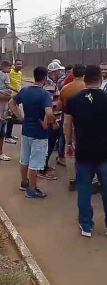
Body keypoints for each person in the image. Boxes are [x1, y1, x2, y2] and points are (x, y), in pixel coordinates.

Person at [63, 65, 107, 238]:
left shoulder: (73, 100)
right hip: (104, 152)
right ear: (100, 79)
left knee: (84, 189)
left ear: (84, 79)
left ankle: (86, 226)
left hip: (83, 151)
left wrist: (68, 143)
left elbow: (67, 124)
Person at [9, 66, 55, 199]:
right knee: (35, 162)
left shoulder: (25, 91)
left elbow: (12, 103)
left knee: (24, 158)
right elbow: (49, 113)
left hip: (26, 130)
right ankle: (32, 189)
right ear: (45, 78)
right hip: (39, 133)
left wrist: (20, 117)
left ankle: (24, 182)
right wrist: (47, 123)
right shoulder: (45, 94)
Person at [59, 64, 86, 191]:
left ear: (73, 74)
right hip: (86, 124)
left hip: (69, 121)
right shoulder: (88, 88)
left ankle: (72, 179)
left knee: (70, 152)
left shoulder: (65, 88)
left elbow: (59, 107)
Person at [41, 61, 65, 179]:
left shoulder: (50, 83)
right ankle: (42, 168)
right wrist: (53, 121)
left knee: (49, 144)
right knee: (49, 144)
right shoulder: (50, 85)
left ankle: (43, 165)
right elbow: (49, 105)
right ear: (54, 72)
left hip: (53, 118)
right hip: (52, 119)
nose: (60, 72)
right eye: (59, 71)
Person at [5, 59, 23, 144]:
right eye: (18, 64)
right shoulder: (9, 72)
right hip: (11, 97)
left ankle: (10, 134)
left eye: (20, 64)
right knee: (10, 116)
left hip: (17, 96)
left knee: (14, 116)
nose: (19, 66)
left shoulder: (20, 73)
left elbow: (19, 83)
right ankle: (7, 136)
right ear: (14, 65)